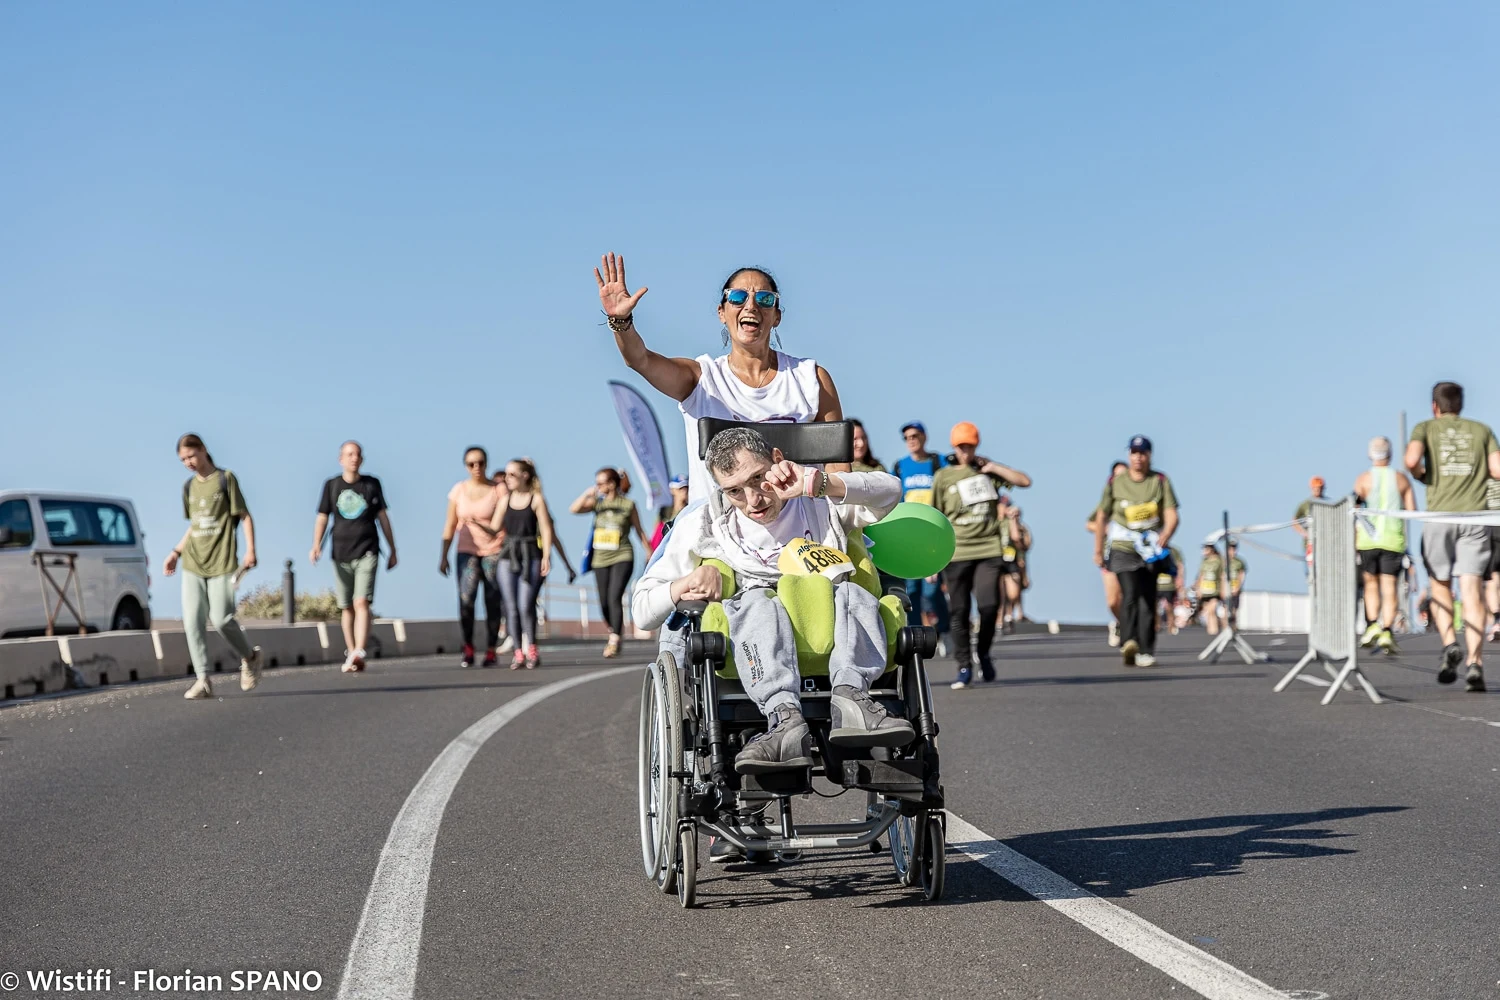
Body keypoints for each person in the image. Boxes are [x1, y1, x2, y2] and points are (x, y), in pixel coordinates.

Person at [633, 427, 912, 774]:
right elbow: (642, 611)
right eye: (734, 491)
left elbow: (892, 491)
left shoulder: (820, 503)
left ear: (778, 461)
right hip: (759, 643)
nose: (753, 500)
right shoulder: (704, 522)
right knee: (755, 602)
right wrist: (684, 584)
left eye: (759, 479)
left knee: (853, 591)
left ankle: (853, 699)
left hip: (836, 627)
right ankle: (784, 720)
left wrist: (819, 483)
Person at [595, 253, 845, 507]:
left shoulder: (811, 378)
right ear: (721, 313)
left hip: (801, 541)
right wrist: (621, 322)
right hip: (717, 542)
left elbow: (839, 474)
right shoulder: (701, 379)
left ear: (777, 316)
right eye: (737, 297)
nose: (751, 306)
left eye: (764, 299)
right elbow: (641, 360)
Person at [1405, 381, 1500, 691]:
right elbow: (1498, 469)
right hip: (1476, 517)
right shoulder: (1481, 430)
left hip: (1440, 517)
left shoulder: (1426, 428)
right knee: (1472, 590)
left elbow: (1410, 461)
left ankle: (1449, 644)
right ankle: (1475, 662)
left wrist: (1424, 475)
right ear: (1461, 404)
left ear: (1435, 406)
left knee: (1440, 584)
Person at [933, 421, 1032, 688]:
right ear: (954, 447)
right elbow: (936, 518)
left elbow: (1024, 481)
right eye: (961, 446)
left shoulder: (986, 472)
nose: (966, 451)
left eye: (970, 446)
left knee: (989, 606)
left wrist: (993, 467)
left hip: (988, 549)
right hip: (956, 552)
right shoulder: (943, 477)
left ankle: (984, 652)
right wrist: (932, 559)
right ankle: (964, 665)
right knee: (959, 610)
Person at [162, 433, 262, 699]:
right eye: (183, 459)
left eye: (191, 456)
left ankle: (250, 657)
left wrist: (251, 550)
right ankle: (203, 679)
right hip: (193, 562)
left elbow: (245, 515)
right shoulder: (188, 487)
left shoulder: (225, 479)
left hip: (222, 561)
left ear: (203, 450)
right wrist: (175, 552)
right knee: (193, 621)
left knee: (221, 619)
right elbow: (195, 526)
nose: (188, 463)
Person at [311, 441, 397, 673]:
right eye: (349, 454)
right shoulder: (332, 485)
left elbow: (383, 517)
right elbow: (322, 516)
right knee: (346, 606)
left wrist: (393, 549)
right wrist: (315, 545)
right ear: (341, 459)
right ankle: (352, 651)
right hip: (340, 552)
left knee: (362, 601)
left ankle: (360, 649)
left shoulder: (371, 484)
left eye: (357, 454)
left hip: (367, 549)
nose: (354, 458)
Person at [1094, 436, 1179, 667]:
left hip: (1151, 548)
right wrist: (1098, 549)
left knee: (1147, 598)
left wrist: (1166, 533)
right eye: (1134, 452)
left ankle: (1146, 649)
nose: (1138, 457)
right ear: (1129, 455)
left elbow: (1171, 513)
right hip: (1123, 547)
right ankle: (1128, 640)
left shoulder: (1160, 481)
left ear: (1149, 455)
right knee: (1129, 593)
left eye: (1142, 453)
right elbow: (1101, 516)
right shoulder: (1116, 482)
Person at [571, 467, 647, 658]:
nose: (597, 486)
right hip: (600, 558)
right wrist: (588, 493)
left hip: (622, 555)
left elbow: (639, 531)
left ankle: (615, 638)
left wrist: (649, 552)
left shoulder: (628, 504)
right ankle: (615, 629)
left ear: (611, 484)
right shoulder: (598, 504)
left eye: (600, 483)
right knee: (604, 601)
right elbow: (574, 509)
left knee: (614, 596)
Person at [440, 447, 505, 668]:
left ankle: (490, 649)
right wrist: (443, 555)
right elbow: (449, 524)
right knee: (466, 599)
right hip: (466, 551)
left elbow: (503, 522)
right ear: (466, 466)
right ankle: (467, 647)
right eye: (471, 464)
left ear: (486, 464)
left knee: (492, 600)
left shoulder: (498, 490)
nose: (476, 468)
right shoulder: (459, 490)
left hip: (494, 551)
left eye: (480, 463)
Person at [491, 459, 556, 669]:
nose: (507, 479)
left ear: (524, 476)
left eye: (511, 475)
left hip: (530, 554)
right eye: (506, 475)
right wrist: (473, 523)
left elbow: (546, 529)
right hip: (508, 555)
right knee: (510, 606)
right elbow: (494, 527)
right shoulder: (505, 500)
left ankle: (532, 649)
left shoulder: (536, 499)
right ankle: (518, 651)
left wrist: (546, 556)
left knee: (525, 604)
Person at [891, 421, 951, 646]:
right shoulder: (900, 467)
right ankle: (917, 636)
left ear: (924, 437)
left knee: (932, 590)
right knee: (912, 591)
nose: (911, 440)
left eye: (915, 435)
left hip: (935, 533)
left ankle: (944, 629)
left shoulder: (938, 463)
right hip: (910, 536)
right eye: (906, 437)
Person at [1353, 436, 1415, 654]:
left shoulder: (1363, 479)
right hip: (1393, 539)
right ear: (1390, 454)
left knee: (1370, 585)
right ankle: (1387, 630)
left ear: (1370, 454)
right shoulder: (1401, 479)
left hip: (1368, 540)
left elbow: (1355, 510)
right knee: (1390, 588)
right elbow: (1412, 510)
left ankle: (1372, 625)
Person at [1089, 462, 1130, 646]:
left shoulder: (1136, 496)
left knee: (1129, 595)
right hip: (1110, 554)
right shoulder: (1108, 499)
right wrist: (1106, 530)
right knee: (1113, 600)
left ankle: (1131, 629)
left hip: (1132, 554)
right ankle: (1122, 623)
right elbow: (1090, 523)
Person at [997, 497, 1032, 632]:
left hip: (1011, 561)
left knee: (1013, 593)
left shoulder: (1017, 525)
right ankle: (1000, 619)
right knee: (998, 592)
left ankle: (1008, 615)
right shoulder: (993, 522)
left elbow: (1018, 540)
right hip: (996, 560)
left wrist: (1013, 521)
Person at [1195, 542, 1224, 634]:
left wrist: (1223, 589)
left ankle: (1214, 631)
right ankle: (1210, 631)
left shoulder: (1219, 561)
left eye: (1206, 549)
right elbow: (1201, 575)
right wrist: (1198, 588)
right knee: (1208, 612)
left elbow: (1222, 575)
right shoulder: (1204, 561)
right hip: (1205, 590)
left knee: (1212, 610)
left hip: (1215, 590)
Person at [1157, 544, 1185, 635]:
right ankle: (1157, 625)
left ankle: (1171, 626)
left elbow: (1180, 565)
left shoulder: (1173, 550)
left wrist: (1180, 579)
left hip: (1169, 584)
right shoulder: (1153, 548)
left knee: (1169, 607)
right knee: (1154, 607)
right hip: (1156, 584)